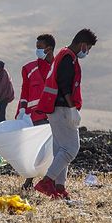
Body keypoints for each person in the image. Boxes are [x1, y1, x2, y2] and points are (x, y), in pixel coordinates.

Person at [34, 28, 98, 200]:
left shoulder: (64, 54)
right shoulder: (68, 58)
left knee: (61, 150)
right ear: (83, 44)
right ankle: (47, 181)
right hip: (62, 108)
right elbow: (64, 85)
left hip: (54, 108)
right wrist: (72, 108)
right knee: (71, 149)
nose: (88, 52)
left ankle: (59, 186)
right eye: (89, 48)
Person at [17, 33, 56, 190]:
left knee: (55, 150)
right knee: (36, 149)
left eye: (40, 48)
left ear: (49, 48)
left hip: (54, 114)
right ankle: (29, 180)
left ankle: (51, 181)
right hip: (36, 116)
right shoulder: (29, 69)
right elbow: (24, 92)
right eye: (36, 48)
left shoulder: (58, 67)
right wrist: (21, 110)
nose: (37, 51)